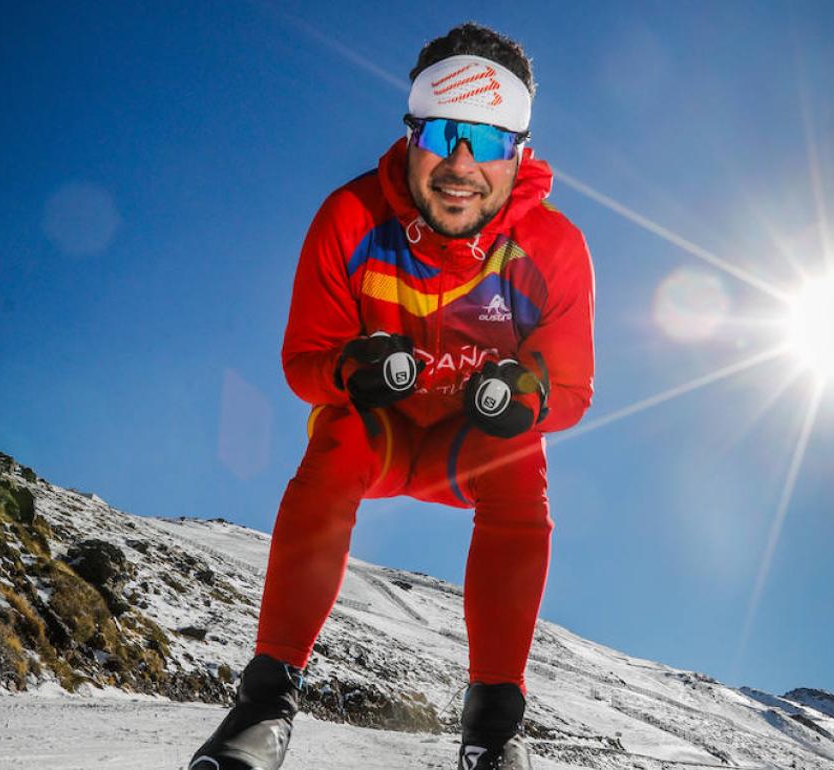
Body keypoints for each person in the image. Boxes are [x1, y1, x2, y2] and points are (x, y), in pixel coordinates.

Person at [189, 21, 594, 770]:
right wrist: (353, 370)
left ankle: (494, 731)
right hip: (384, 434)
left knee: (519, 457)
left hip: (464, 445)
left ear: (521, 151)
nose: (461, 164)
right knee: (337, 438)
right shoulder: (350, 219)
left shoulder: (553, 248)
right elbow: (303, 359)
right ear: (412, 133)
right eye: (443, 132)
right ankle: (262, 706)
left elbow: (571, 385)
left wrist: (523, 394)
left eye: (490, 140)